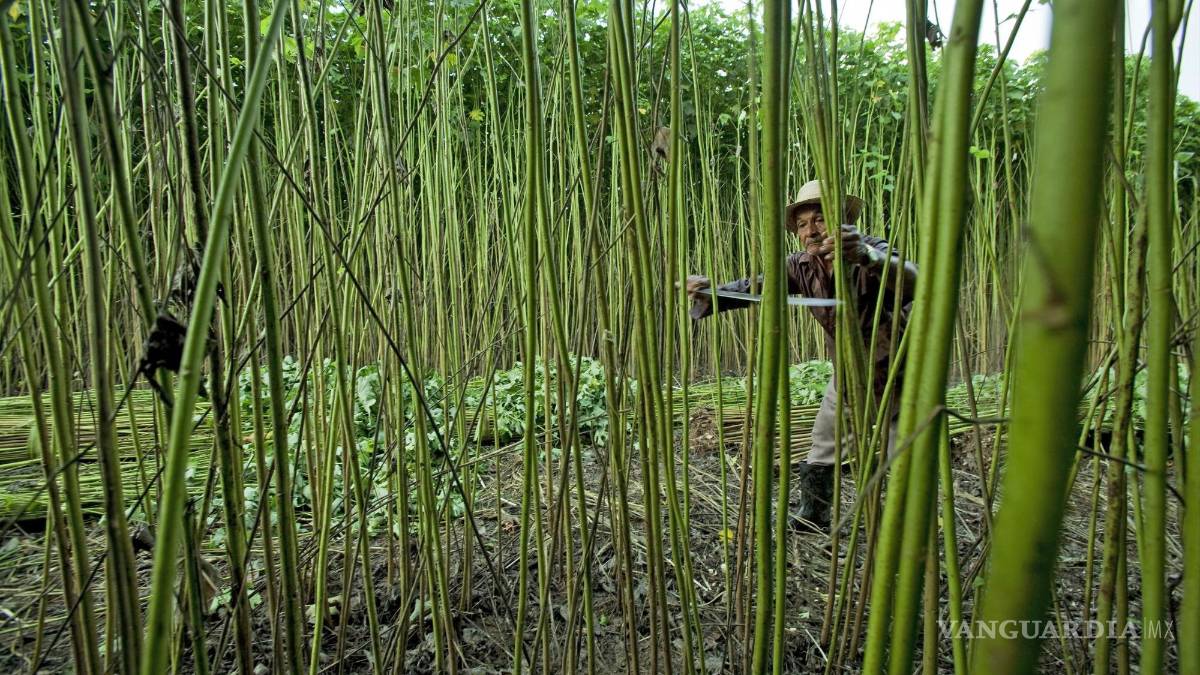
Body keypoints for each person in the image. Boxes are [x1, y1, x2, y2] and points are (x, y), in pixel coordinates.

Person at [686, 180, 917, 532]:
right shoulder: (799, 266)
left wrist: (866, 257)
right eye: (802, 224)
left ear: (842, 220)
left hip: (899, 370)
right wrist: (710, 293)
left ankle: (902, 528)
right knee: (824, 443)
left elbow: (914, 279)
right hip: (849, 372)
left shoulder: (870, 249)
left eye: (820, 219)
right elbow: (753, 287)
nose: (811, 231)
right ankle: (814, 514)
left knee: (901, 454)